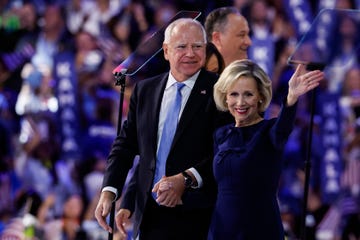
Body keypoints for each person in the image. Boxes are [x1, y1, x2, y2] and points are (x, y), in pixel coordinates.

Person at [95, 18, 229, 240]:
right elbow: (128, 147)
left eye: (197, 47)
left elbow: (224, 153)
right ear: (166, 51)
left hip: (197, 217)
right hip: (149, 216)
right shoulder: (145, 90)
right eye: (182, 47)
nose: (190, 53)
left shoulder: (220, 91)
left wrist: (186, 179)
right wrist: (111, 191)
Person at [208, 59, 324, 239]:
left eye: (248, 94)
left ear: (260, 96)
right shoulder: (221, 134)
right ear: (225, 96)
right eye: (234, 94)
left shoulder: (270, 132)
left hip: (260, 230)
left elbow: (283, 127)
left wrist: (291, 97)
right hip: (221, 231)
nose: (240, 102)